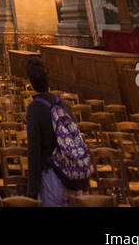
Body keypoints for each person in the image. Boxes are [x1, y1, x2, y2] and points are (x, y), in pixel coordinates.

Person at [25, 55, 91, 206]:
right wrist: (84, 182)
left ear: (31, 82)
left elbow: (34, 151)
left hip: (51, 176)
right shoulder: (63, 104)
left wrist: (32, 191)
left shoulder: (34, 109)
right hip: (71, 175)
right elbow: (76, 140)